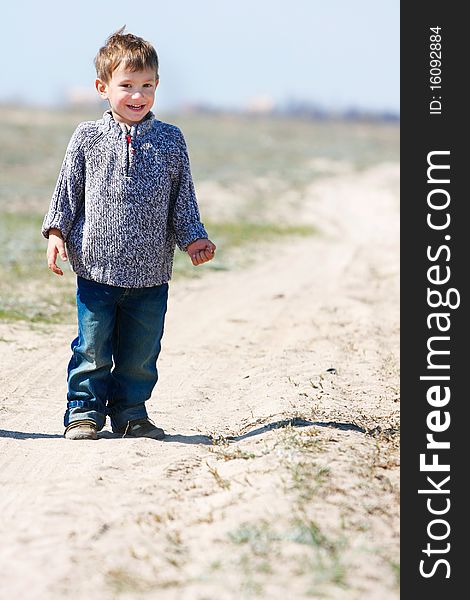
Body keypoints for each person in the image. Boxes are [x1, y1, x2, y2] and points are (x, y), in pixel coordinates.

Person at [42, 27, 216, 440]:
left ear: (156, 86)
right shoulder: (87, 137)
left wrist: (193, 237)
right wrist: (56, 232)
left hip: (152, 273)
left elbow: (182, 199)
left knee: (141, 355)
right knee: (92, 349)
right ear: (102, 87)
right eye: (127, 86)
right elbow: (68, 190)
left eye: (147, 86)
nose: (137, 96)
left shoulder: (171, 140)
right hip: (97, 267)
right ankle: (83, 412)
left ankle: (131, 413)